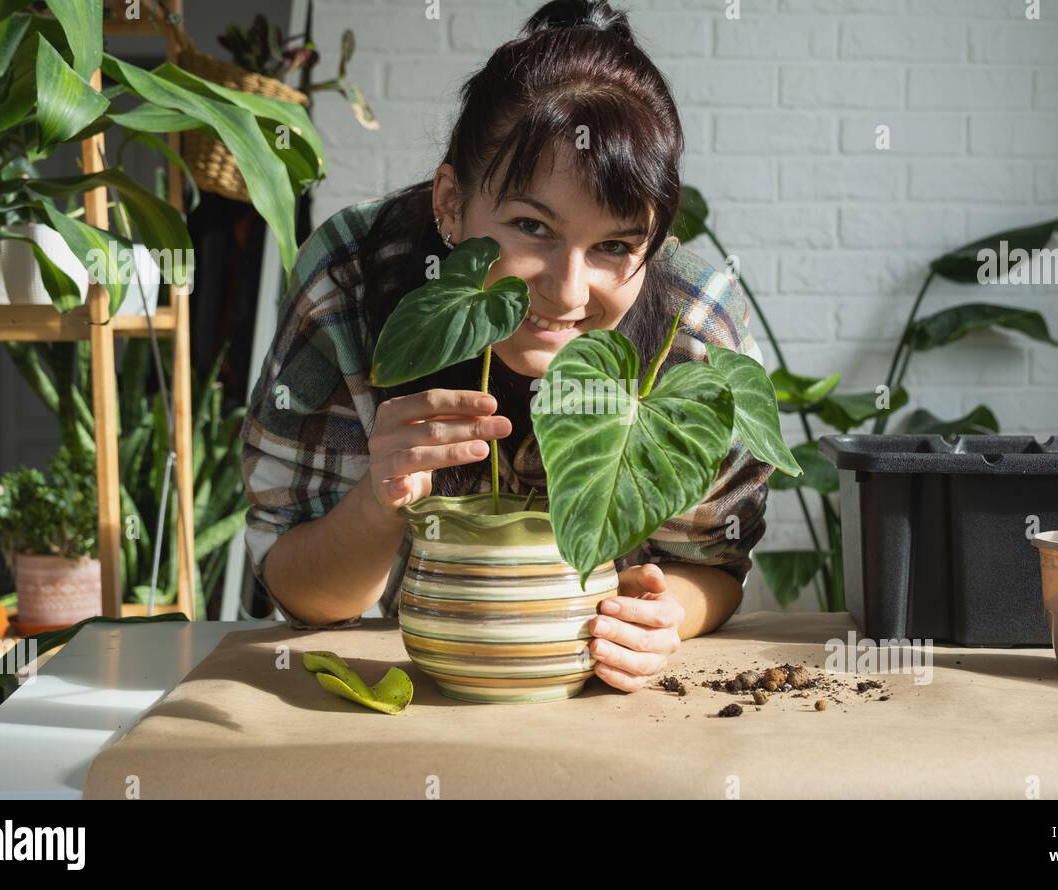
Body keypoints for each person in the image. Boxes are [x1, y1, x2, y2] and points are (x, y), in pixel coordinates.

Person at [240, 0, 773, 693]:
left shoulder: (693, 325)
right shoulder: (355, 275)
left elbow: (719, 568)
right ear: (452, 205)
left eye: (615, 245)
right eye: (532, 226)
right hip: (424, 693)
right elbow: (298, 591)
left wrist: (665, 613)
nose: (568, 292)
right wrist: (378, 501)